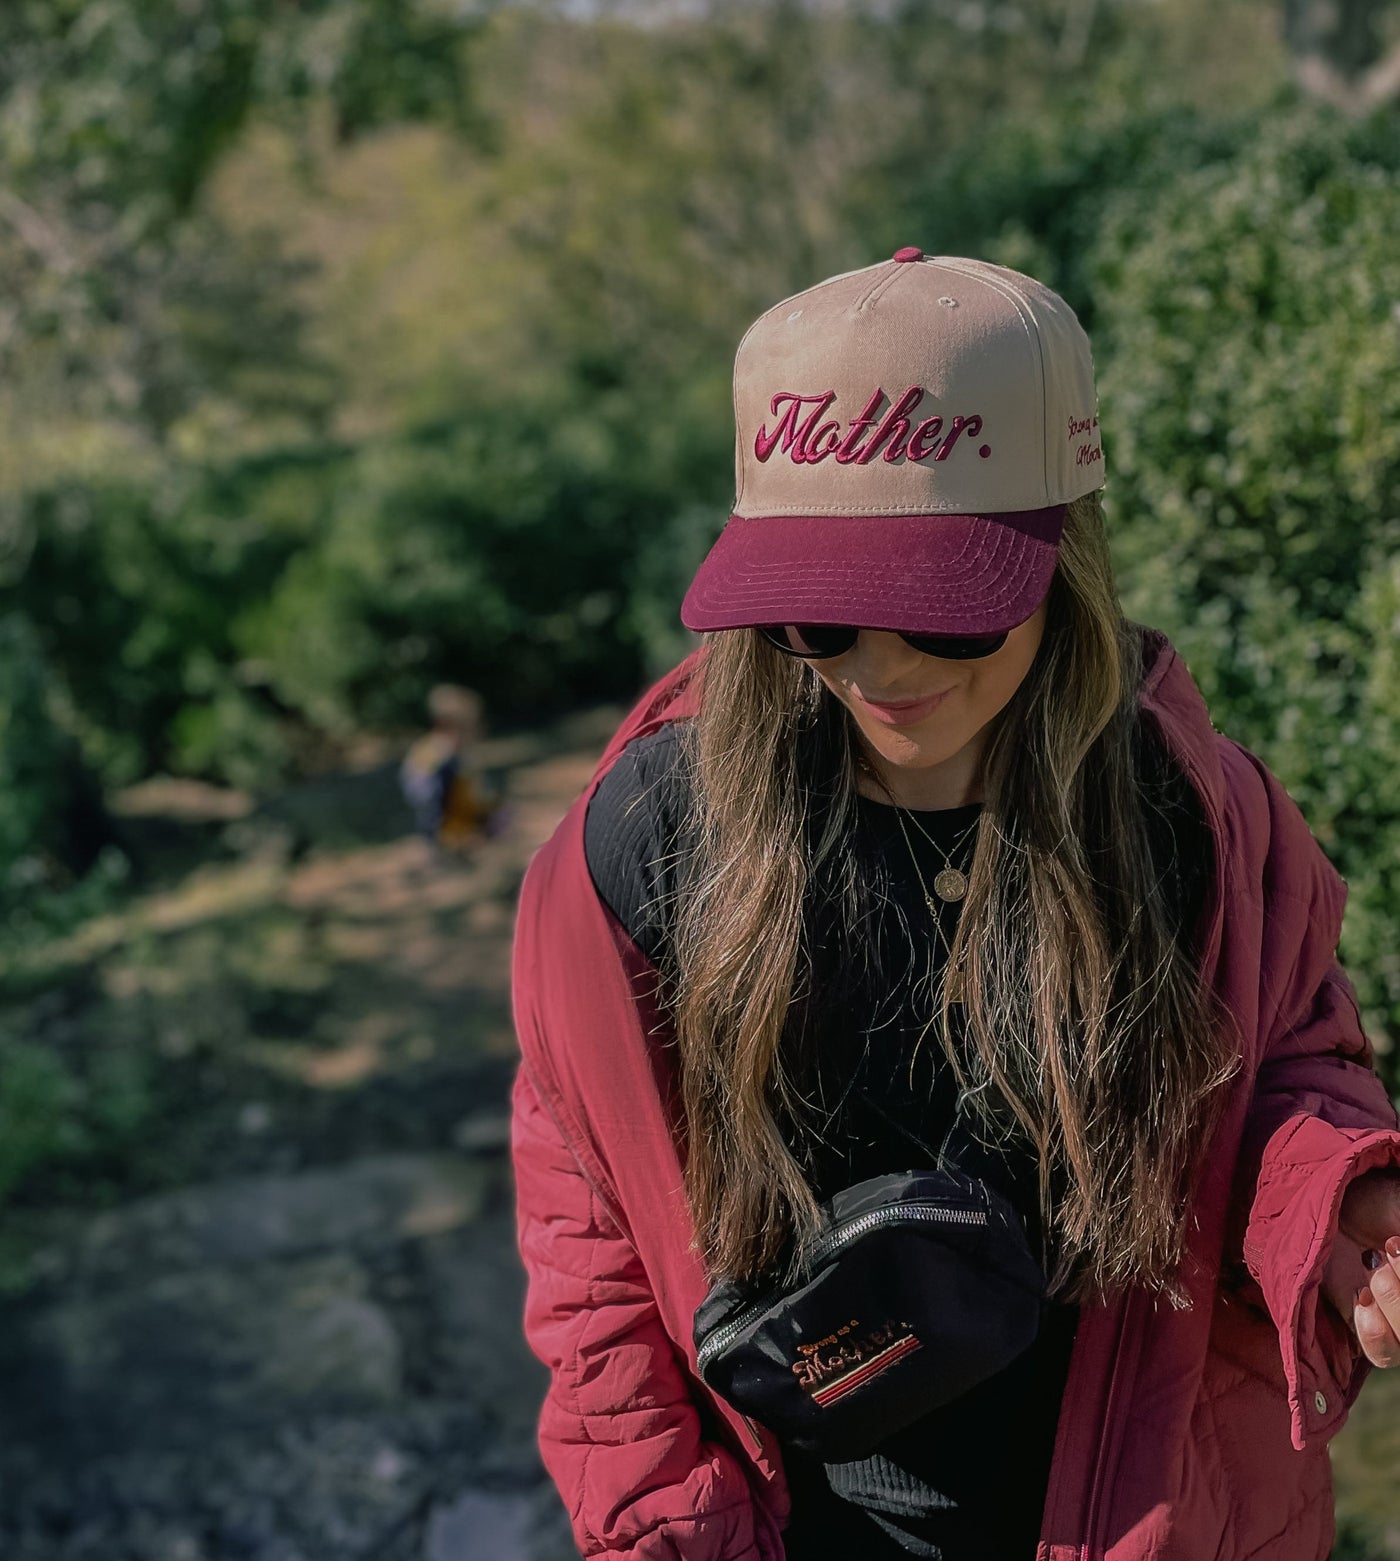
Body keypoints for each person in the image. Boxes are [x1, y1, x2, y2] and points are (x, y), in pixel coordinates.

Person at [509, 250, 1400, 1559]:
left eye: (946, 614)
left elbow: (1275, 1082)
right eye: (820, 619)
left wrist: (1347, 1216)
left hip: (1134, 1503)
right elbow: (588, 1241)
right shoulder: (642, 852)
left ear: (1063, 557)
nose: (882, 670)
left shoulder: (1194, 822)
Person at [399, 683, 504, 854]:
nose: (477, 732)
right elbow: (426, 798)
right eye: (469, 727)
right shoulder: (433, 757)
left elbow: (475, 793)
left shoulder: (459, 757)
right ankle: (449, 842)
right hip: (444, 825)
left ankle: (469, 834)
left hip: (463, 817)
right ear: (446, 725)